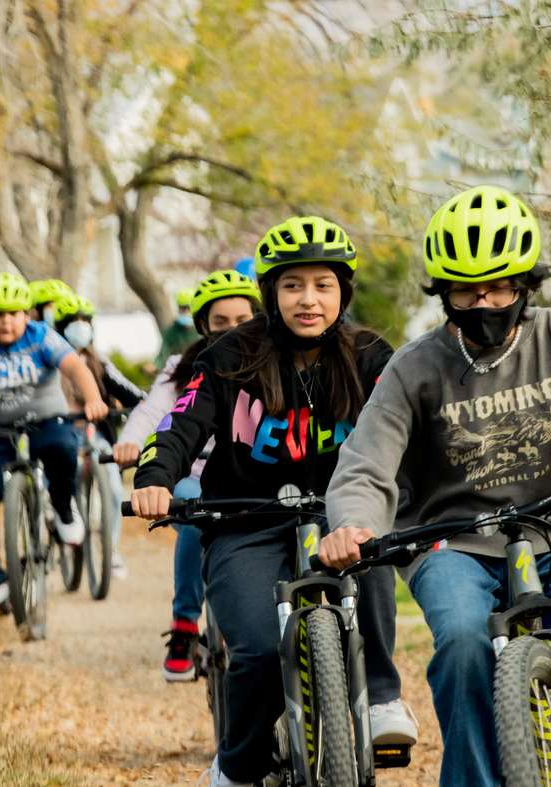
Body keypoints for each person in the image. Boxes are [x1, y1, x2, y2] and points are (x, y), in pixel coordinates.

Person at [320, 185, 551, 787]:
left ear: (525, 284)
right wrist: (354, 525)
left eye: (498, 286)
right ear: (443, 293)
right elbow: (365, 463)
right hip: (453, 546)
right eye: (466, 290)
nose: (484, 302)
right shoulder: (413, 368)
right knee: (465, 645)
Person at [129, 218, 417, 787]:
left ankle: (381, 696)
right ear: (270, 293)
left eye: (323, 285)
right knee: (259, 650)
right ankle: (235, 769)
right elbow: (180, 424)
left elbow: (412, 423)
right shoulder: (230, 354)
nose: (308, 299)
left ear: (343, 292)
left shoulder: (371, 356)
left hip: (336, 512)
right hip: (244, 523)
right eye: (292, 286)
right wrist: (156, 476)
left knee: (367, 542)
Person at [111, 269, 261, 680]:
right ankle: (184, 626)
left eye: (242, 321)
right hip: (195, 474)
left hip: (256, 479)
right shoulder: (186, 367)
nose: (233, 330)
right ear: (202, 326)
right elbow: (152, 411)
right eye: (220, 323)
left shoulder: (272, 360)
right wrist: (130, 442)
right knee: (196, 517)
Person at [0, 273, 108, 617]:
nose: (6, 320)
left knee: (62, 448)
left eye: (13, 313)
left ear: (26, 315)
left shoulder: (42, 336)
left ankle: (63, 508)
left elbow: (75, 367)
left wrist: (93, 400)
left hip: (46, 421)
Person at [51, 293, 145, 579]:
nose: (80, 328)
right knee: (51, 488)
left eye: (85, 322)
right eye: (73, 323)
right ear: (61, 328)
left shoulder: (100, 363)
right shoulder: (48, 362)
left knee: (115, 490)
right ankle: (55, 538)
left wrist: (143, 408)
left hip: (96, 437)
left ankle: (110, 549)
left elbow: (135, 395)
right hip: (62, 436)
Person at [152, 287, 199, 368]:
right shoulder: (172, 331)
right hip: (180, 372)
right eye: (182, 308)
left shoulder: (202, 329)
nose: (185, 312)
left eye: (188, 308)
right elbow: (163, 352)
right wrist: (155, 365)